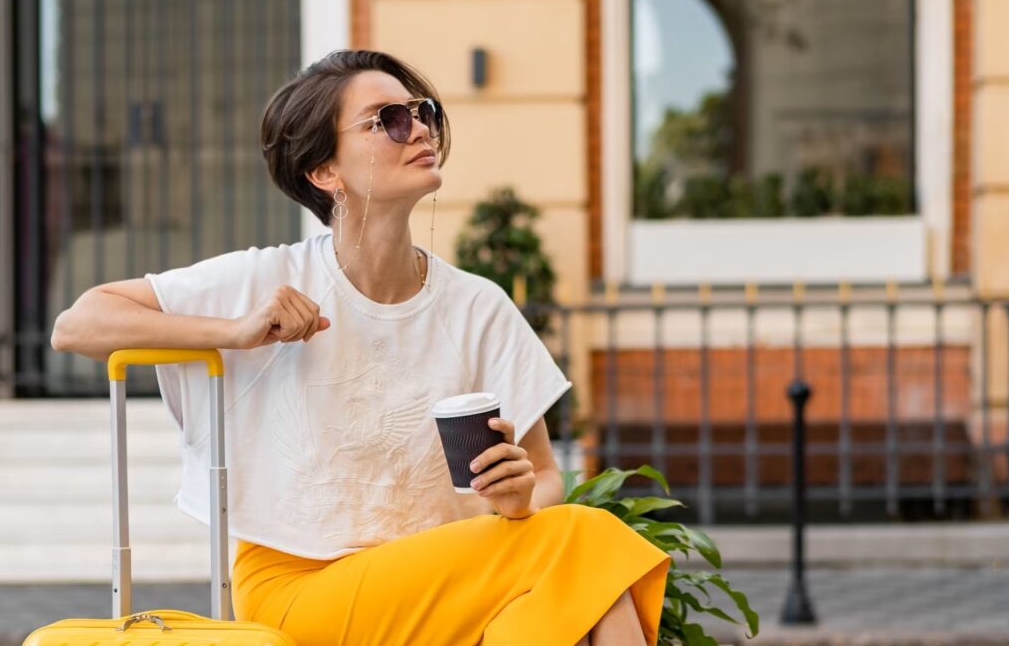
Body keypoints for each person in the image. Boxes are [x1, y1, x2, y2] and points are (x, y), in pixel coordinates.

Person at [51, 49, 671, 646]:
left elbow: (542, 477)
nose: (419, 129)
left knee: (564, 600)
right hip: (300, 586)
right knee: (590, 548)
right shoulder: (265, 280)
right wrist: (234, 331)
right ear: (325, 173)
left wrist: (514, 499)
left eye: (422, 111)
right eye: (389, 120)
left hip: (440, 578)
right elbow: (78, 325)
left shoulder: (478, 305)